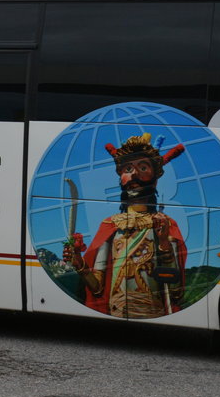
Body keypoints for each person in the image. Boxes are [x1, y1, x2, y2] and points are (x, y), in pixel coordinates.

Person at [63, 133, 188, 319]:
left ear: (155, 175)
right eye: (128, 168)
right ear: (120, 175)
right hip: (117, 310)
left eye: (143, 167)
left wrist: (163, 243)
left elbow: (176, 292)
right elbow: (98, 288)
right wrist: (80, 265)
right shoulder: (110, 225)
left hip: (152, 312)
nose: (134, 174)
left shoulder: (165, 223)